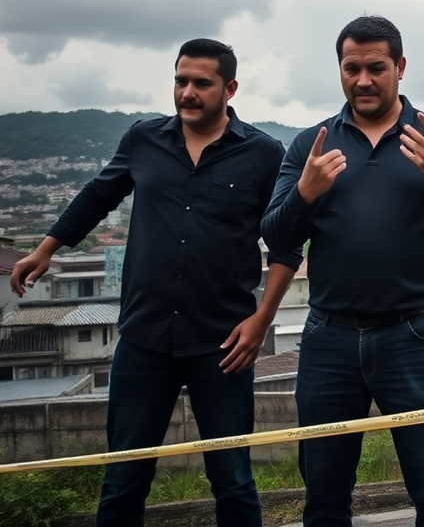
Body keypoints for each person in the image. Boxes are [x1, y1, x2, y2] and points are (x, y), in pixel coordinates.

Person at [8, 39, 301, 527]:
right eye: (180, 80)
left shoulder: (263, 153)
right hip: (143, 339)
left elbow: (288, 241)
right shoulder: (144, 139)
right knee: (123, 479)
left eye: (201, 83)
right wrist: (46, 248)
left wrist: (262, 318)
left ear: (229, 88)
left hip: (223, 342)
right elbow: (98, 194)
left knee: (232, 479)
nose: (187, 92)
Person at [262, 15, 424, 527]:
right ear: (340, 70)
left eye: (376, 67)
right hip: (328, 338)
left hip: (413, 335)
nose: (363, 80)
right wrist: (304, 195)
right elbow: (276, 236)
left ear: (400, 67)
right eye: (352, 68)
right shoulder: (311, 144)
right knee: (323, 498)